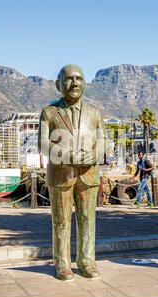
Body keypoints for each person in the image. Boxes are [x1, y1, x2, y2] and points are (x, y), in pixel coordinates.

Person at [38, 65, 104, 281]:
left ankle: (87, 262)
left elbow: (103, 142)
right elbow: (43, 144)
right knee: (61, 221)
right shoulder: (49, 112)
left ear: (84, 83)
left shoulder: (95, 113)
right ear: (59, 84)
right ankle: (62, 264)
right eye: (69, 79)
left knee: (87, 219)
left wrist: (94, 156)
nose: (74, 83)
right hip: (61, 175)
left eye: (79, 79)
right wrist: (67, 157)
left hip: (89, 174)